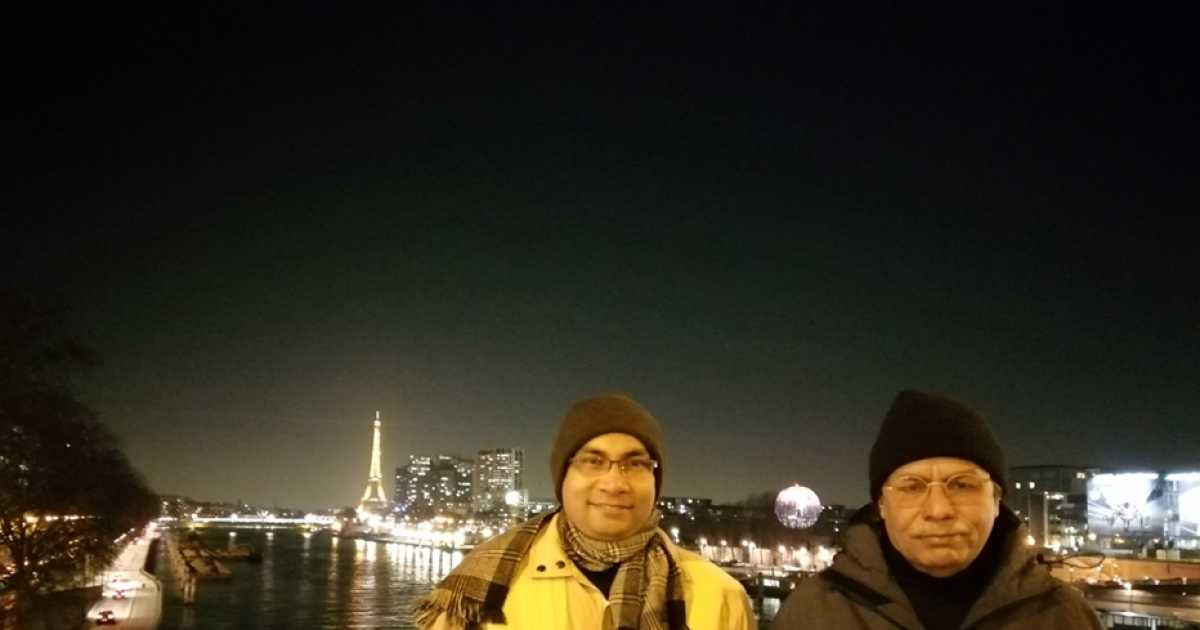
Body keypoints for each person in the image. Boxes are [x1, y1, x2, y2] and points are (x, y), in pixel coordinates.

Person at [414, 393, 755, 630]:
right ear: (563, 477)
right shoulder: (476, 597)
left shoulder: (721, 596)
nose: (614, 483)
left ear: (656, 479)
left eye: (636, 463)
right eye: (593, 461)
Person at [771, 390, 1102, 630]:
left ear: (996, 499)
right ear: (881, 505)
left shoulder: (1066, 617)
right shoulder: (809, 615)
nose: (939, 510)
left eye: (962, 485)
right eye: (912, 487)